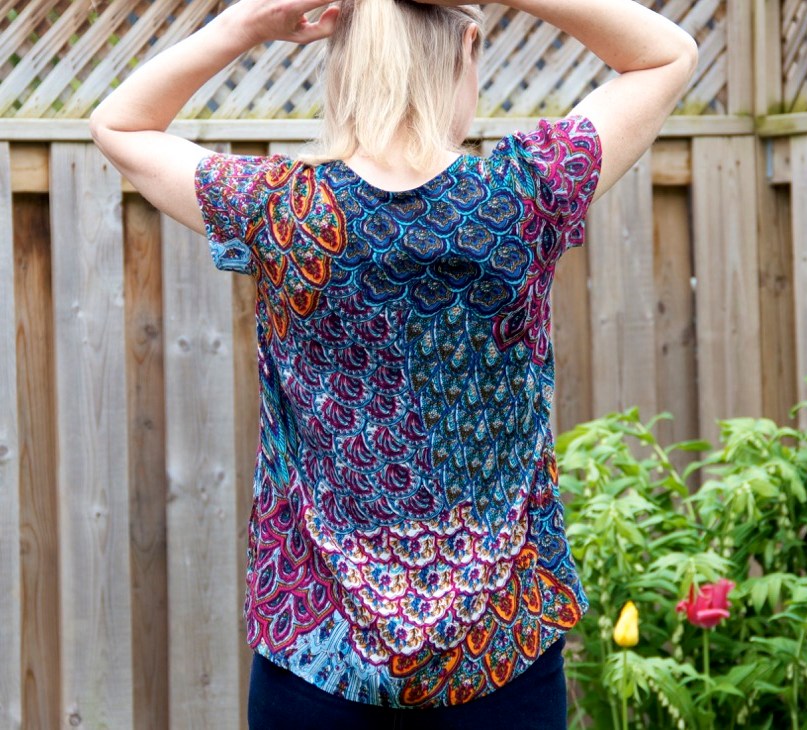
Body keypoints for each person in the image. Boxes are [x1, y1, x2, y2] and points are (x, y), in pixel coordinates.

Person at [90, 0, 697, 727]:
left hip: (314, 659)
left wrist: (244, 25)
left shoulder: (285, 212)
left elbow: (120, 124)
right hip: (502, 655)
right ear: (468, 46)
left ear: (344, 60)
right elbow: (667, 55)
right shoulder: (522, 197)